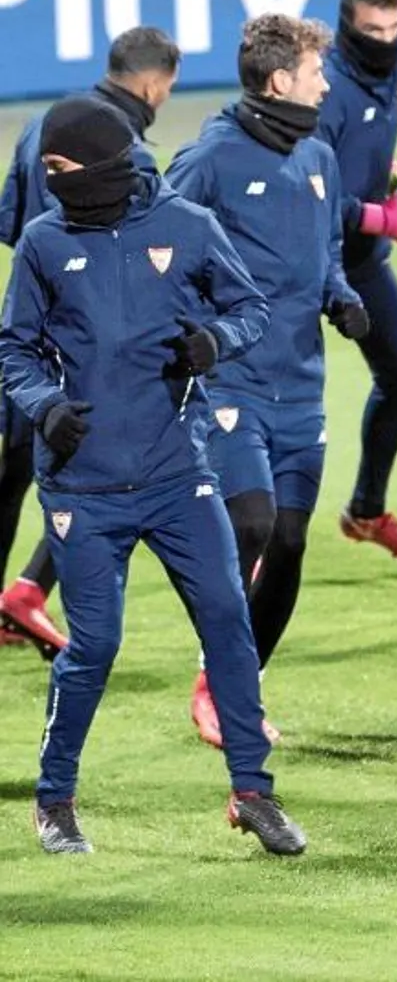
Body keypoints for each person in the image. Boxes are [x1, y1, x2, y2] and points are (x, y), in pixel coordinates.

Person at [0, 95, 305, 856]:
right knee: (94, 645)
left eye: (59, 167)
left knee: (229, 622)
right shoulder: (43, 242)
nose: (49, 180)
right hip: (83, 486)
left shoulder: (186, 228)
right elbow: (14, 349)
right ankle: (55, 799)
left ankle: (252, 792)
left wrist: (214, 341)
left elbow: (252, 309)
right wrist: (44, 408)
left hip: (177, 474)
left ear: (96, 164)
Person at [166, 14, 371, 747]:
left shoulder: (318, 155)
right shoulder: (212, 158)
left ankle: (240, 683)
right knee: (249, 521)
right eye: (318, 71)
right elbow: (163, 239)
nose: (326, 82)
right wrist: (194, 329)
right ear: (282, 79)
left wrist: (340, 296)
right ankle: (215, 681)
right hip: (233, 382)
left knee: (287, 539)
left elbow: (325, 253)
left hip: (301, 382)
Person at [0, 26, 181, 656]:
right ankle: (32, 595)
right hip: (88, 351)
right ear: (156, 83)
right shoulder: (125, 151)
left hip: (24, 335)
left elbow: (9, 226)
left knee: (13, 469)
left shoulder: (41, 126)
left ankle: (13, 598)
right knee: (97, 479)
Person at [319, 0, 397, 569]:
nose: (384, 39)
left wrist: (391, 177)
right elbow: (310, 194)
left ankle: (366, 511)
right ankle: (250, 533)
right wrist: (384, 219)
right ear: (348, 25)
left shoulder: (392, 75)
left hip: (361, 262)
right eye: (372, 29)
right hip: (302, 263)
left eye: (394, 28)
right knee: (268, 405)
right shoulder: (325, 89)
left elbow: (364, 154)